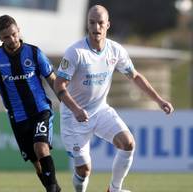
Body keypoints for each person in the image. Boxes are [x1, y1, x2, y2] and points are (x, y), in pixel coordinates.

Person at [54, 5, 174, 192]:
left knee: (128, 143)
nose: (96, 27)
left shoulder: (115, 50)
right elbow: (58, 85)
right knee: (84, 170)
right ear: (87, 24)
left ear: (108, 25)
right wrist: (76, 109)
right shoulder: (75, 52)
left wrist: (159, 100)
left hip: (100, 110)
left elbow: (134, 76)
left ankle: (114, 189)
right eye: (92, 23)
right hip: (73, 117)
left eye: (100, 23)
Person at [0, 15, 61, 192]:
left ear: (19, 30)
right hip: (18, 116)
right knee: (36, 163)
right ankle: (54, 189)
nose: (12, 39)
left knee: (41, 147)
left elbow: (53, 80)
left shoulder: (34, 52)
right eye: (6, 37)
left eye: (14, 34)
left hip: (40, 110)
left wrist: (66, 101)